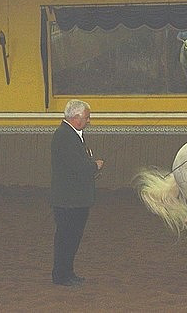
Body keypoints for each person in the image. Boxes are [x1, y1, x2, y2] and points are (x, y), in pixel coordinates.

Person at [50, 99, 104, 287]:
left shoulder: (71, 135)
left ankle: (67, 272)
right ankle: (61, 275)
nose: (88, 121)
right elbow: (77, 167)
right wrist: (94, 165)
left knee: (71, 238)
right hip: (69, 200)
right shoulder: (65, 136)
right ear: (76, 117)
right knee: (67, 237)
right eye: (86, 117)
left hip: (74, 199)